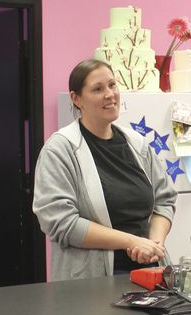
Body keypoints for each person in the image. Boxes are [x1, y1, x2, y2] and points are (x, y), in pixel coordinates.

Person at [33, 58, 176, 280]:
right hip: (89, 284)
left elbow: (164, 199)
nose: (110, 94)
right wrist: (131, 241)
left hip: (150, 274)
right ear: (76, 98)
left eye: (112, 85)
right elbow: (61, 222)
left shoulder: (137, 144)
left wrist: (153, 244)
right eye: (98, 89)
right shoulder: (60, 150)